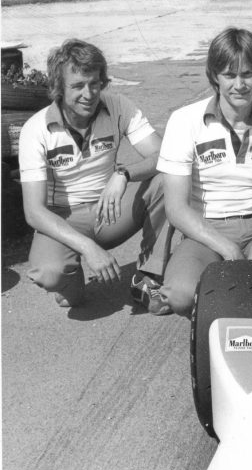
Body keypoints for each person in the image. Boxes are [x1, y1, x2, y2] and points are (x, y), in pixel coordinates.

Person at [157, 27, 252, 316]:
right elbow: (176, 208)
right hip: (206, 231)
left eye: (248, 74)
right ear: (215, 76)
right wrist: (226, 248)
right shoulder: (184, 120)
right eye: (230, 75)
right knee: (180, 296)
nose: (240, 84)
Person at [19, 39, 170, 314]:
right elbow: (34, 212)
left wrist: (124, 173)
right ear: (59, 88)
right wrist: (88, 248)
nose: (88, 94)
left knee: (167, 180)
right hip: (63, 217)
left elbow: (165, 155)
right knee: (50, 274)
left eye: (95, 83)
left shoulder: (118, 106)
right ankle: (70, 274)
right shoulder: (36, 129)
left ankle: (148, 277)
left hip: (109, 210)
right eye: (77, 86)